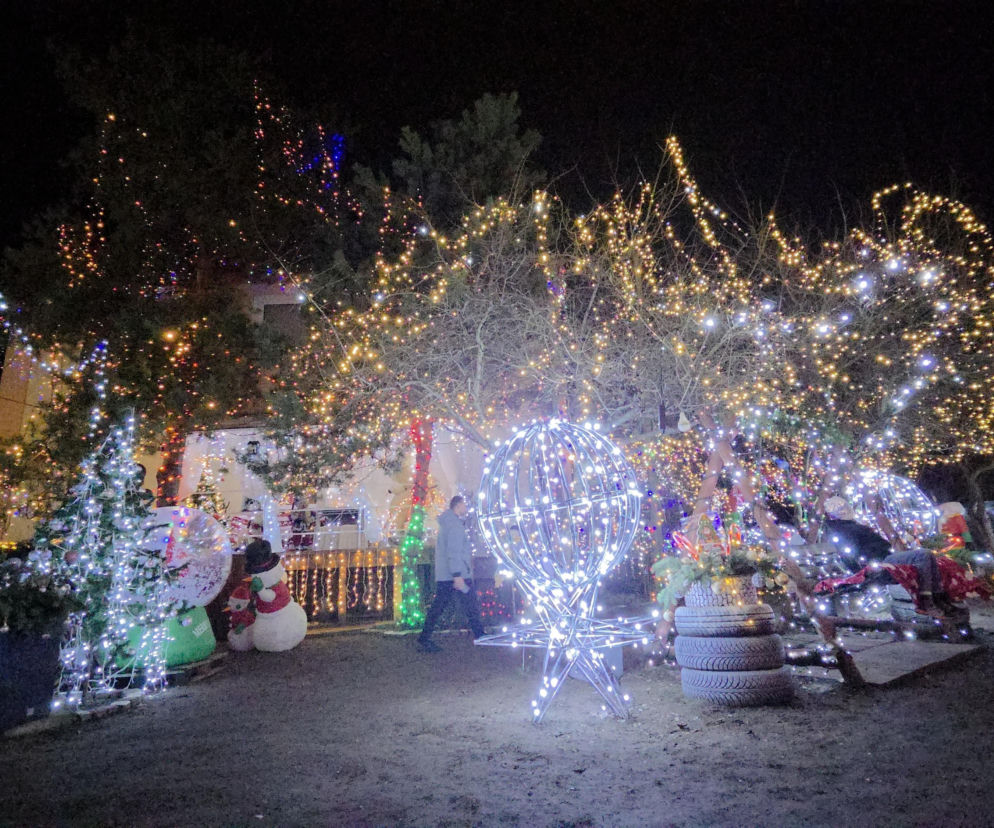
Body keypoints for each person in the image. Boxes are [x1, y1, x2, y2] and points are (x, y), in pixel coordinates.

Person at [822, 496, 953, 617]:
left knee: (929, 556)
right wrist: (865, 570)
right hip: (882, 562)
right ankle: (926, 602)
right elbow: (850, 555)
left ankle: (938, 599)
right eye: (843, 507)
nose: (847, 509)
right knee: (923, 555)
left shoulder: (848, 527)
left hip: (886, 558)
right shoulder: (844, 530)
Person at [417, 495, 485, 652]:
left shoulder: (448, 523)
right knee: (468, 603)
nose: (466, 508)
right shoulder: (454, 525)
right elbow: (454, 551)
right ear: (458, 505)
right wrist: (457, 575)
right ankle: (480, 634)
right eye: (464, 505)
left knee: (443, 605)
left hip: (448, 574)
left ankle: (425, 637)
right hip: (456, 574)